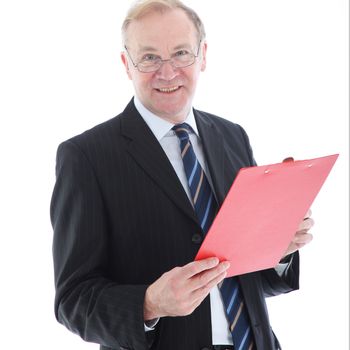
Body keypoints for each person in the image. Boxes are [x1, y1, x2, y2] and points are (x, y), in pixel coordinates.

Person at [50, 1, 314, 349]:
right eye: (149, 57)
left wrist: (277, 248)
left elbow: (248, 280)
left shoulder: (231, 135)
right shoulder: (86, 156)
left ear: (202, 56)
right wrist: (149, 303)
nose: (168, 72)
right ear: (126, 64)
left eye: (181, 53)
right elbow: (73, 300)